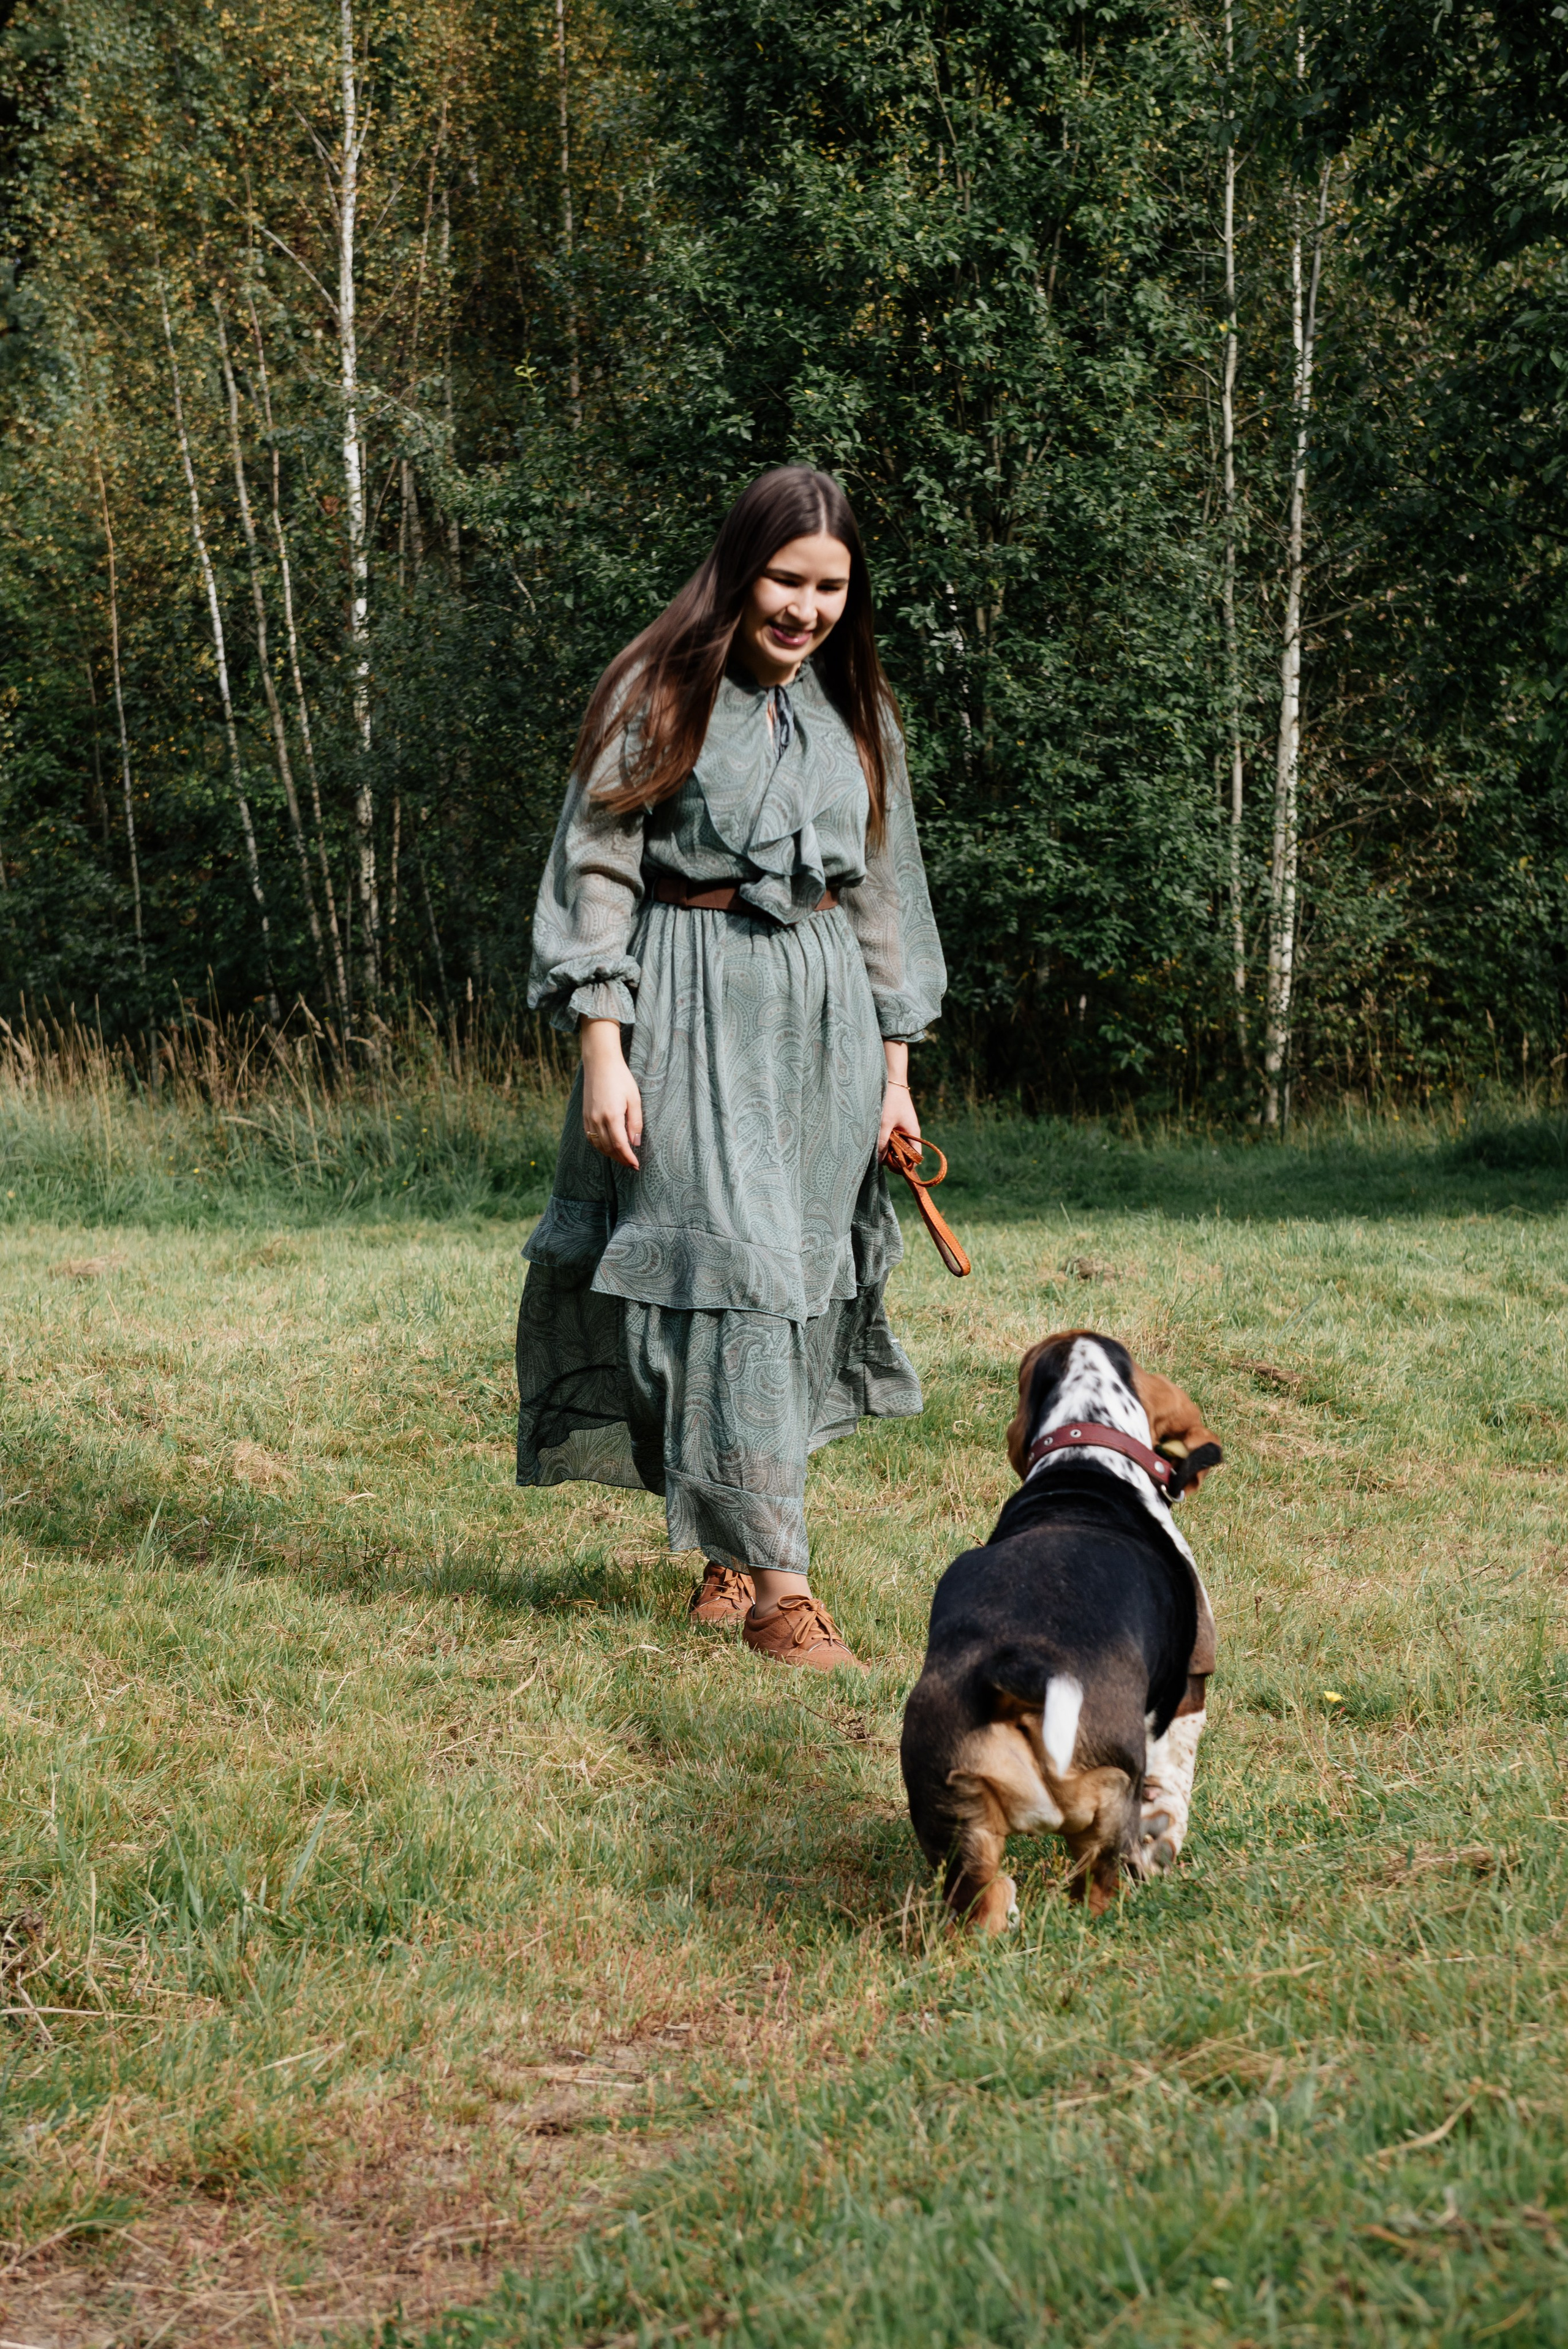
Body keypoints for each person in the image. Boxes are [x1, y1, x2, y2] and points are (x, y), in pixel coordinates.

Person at [515, 467, 946, 1671]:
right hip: (685, 1006)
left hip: (822, 1031)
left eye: (829, 587)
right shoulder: (653, 692)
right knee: (727, 1272)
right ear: (737, 570)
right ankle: (782, 1592)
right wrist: (603, 1044)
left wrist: (895, 1076)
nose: (805, 609)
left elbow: (884, 902)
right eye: (785, 579)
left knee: (793, 1278)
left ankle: (728, 1547)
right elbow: (595, 868)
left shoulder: (855, 716)